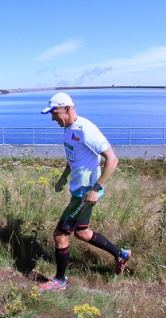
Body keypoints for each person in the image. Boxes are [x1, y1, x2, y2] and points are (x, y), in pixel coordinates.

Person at [38, 92, 130, 291]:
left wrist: (97, 188)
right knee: (82, 232)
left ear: (67, 109)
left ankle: (59, 281)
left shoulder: (86, 129)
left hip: (85, 192)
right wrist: (63, 177)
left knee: (60, 235)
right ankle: (121, 254)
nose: (53, 118)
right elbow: (74, 158)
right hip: (79, 189)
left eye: (55, 113)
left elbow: (112, 159)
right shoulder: (68, 129)